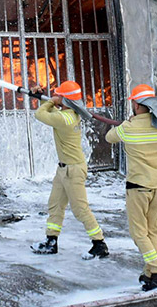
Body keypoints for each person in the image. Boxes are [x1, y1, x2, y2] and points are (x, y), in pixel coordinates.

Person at [31, 81, 109, 259]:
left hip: (73, 170)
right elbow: (49, 113)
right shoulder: (69, 114)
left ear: (65, 99)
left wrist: (50, 101)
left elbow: (40, 115)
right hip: (64, 169)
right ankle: (51, 241)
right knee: (55, 205)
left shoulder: (65, 119)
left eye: (59, 95)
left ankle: (99, 244)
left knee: (80, 209)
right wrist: (45, 98)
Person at [105, 83, 157, 291]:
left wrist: (127, 123)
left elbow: (109, 137)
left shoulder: (128, 128)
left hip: (138, 186)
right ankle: (150, 273)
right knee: (153, 230)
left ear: (135, 104)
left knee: (138, 233)